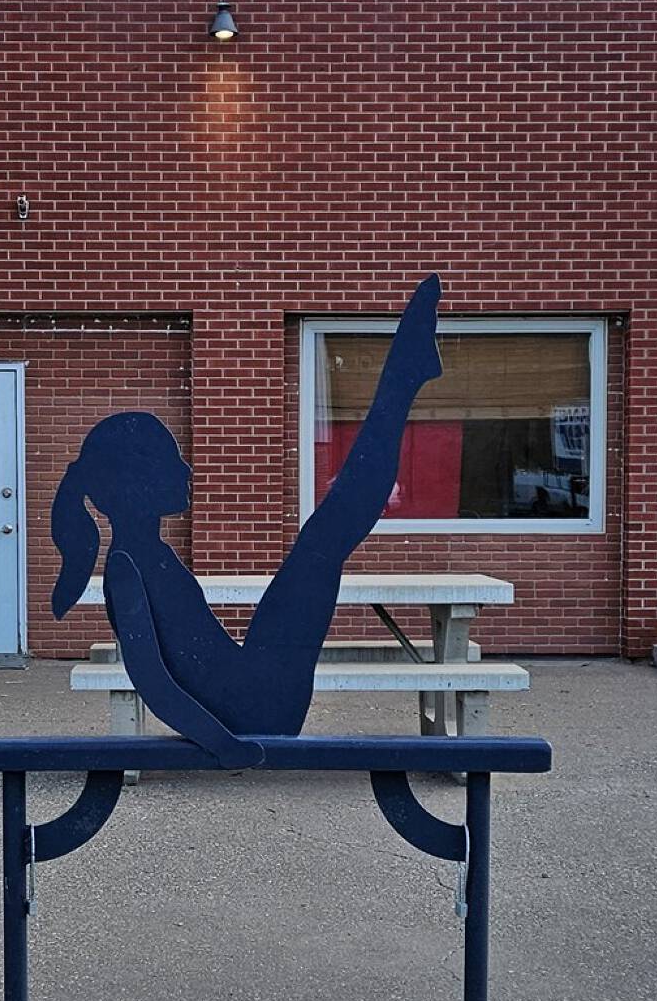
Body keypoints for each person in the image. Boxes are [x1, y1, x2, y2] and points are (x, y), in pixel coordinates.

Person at [50, 274, 442, 764]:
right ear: (136, 481)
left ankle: (404, 373)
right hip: (256, 707)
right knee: (324, 540)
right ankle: (403, 376)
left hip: (250, 683)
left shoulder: (148, 553)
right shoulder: (126, 566)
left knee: (323, 538)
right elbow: (152, 680)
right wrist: (226, 746)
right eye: (172, 461)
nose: (187, 470)